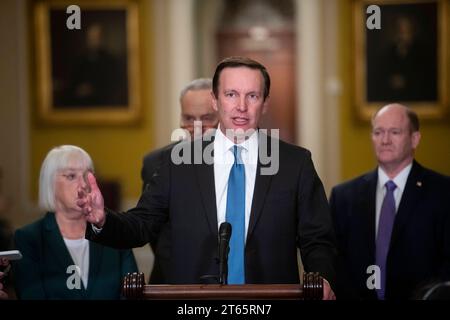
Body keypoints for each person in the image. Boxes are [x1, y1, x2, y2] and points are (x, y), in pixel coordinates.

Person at [80, 56, 337, 299]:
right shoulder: (178, 161)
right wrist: (103, 219)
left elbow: (317, 238)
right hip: (194, 301)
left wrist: (323, 278)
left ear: (265, 102)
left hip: (270, 299)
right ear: (215, 100)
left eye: (252, 96)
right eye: (231, 94)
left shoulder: (295, 163)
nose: (241, 107)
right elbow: (142, 225)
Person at [330, 104, 450, 300]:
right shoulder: (343, 197)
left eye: (394, 132)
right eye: (378, 132)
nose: (385, 140)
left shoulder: (443, 193)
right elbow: (333, 262)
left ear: (414, 139)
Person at [13, 145, 138, 299]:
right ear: (50, 183)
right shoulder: (29, 239)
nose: (84, 184)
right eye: (71, 176)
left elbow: (132, 294)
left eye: (88, 175)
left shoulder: (114, 231)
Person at [141, 78, 218, 284]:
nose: (197, 127)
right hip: (171, 279)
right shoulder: (155, 162)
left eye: (207, 118)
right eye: (189, 118)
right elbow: (153, 230)